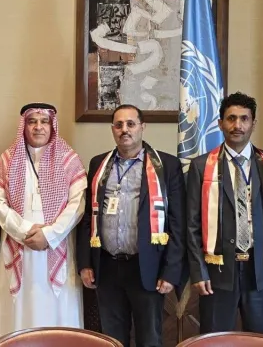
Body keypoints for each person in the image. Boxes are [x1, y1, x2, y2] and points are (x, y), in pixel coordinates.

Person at [76, 104, 185, 347]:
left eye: (131, 124)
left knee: (149, 339)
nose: (124, 130)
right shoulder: (98, 164)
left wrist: (171, 271)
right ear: (112, 129)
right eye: (119, 125)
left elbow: (178, 223)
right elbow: (88, 216)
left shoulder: (166, 165)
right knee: (112, 339)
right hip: (106, 266)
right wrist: (85, 263)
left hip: (147, 267)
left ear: (142, 127)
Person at [187, 92, 263, 334]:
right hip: (217, 272)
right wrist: (198, 272)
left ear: (253, 123)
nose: (238, 125)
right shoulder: (201, 166)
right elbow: (192, 224)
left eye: (244, 119)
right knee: (215, 340)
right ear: (220, 123)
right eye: (231, 118)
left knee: (262, 340)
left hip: (262, 271)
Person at [0, 103, 87, 338]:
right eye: (32, 121)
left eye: (44, 122)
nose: (38, 127)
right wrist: (25, 231)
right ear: (24, 126)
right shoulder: (8, 159)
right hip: (18, 246)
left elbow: (78, 204)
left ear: (52, 126)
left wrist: (49, 234)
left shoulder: (68, 159)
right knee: (18, 316)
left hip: (57, 245)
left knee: (57, 311)